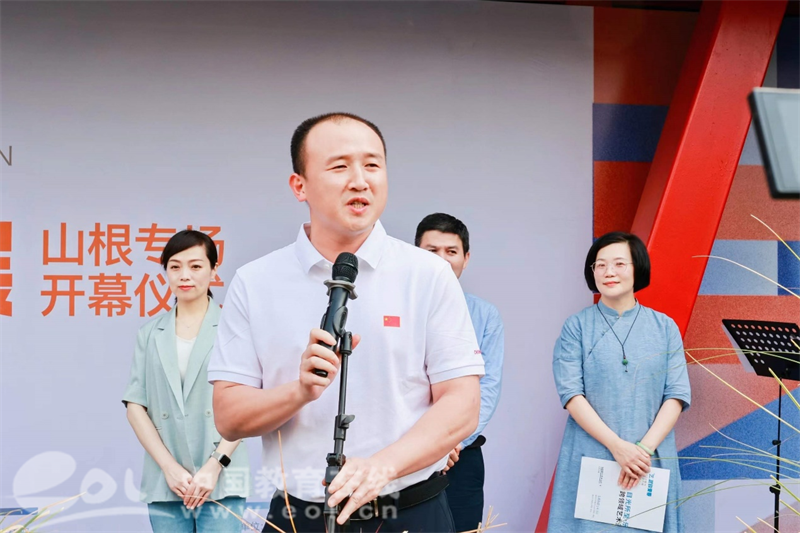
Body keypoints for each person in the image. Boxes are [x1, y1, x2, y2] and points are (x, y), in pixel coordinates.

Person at [208, 112, 484, 533]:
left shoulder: (428, 274)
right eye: (339, 166)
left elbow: (462, 404)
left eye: (372, 165)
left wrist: (382, 467)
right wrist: (299, 391)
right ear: (299, 185)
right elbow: (229, 416)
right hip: (300, 516)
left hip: (410, 511)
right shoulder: (256, 281)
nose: (360, 180)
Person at [548, 231, 691, 533]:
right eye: (600, 265)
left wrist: (641, 451)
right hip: (592, 455)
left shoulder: (665, 327)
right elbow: (571, 394)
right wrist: (618, 447)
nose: (608, 272)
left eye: (619, 264)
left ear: (638, 268)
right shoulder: (576, 327)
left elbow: (676, 395)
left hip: (649, 460)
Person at [123, 230, 250, 533]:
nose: (185, 275)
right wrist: (169, 468)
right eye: (175, 266)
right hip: (166, 478)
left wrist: (215, 465)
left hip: (221, 476)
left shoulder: (235, 328)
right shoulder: (150, 333)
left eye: (195, 266)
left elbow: (246, 404)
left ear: (214, 270)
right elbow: (136, 405)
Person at [414, 212, 504, 532]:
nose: (442, 259)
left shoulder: (485, 315)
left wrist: (452, 442)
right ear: (414, 255)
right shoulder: (394, 309)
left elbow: (488, 388)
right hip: (405, 453)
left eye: (451, 251)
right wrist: (424, 443)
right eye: (431, 251)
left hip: (460, 455)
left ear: (466, 258)